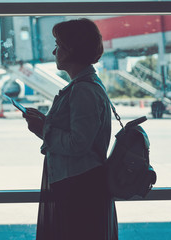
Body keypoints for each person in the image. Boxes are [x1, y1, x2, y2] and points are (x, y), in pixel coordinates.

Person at [23, 18, 118, 240]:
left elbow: (78, 143)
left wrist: (44, 129)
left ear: (71, 50)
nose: (54, 51)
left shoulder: (83, 90)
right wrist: (45, 124)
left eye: (59, 44)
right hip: (79, 186)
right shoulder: (84, 87)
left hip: (79, 189)